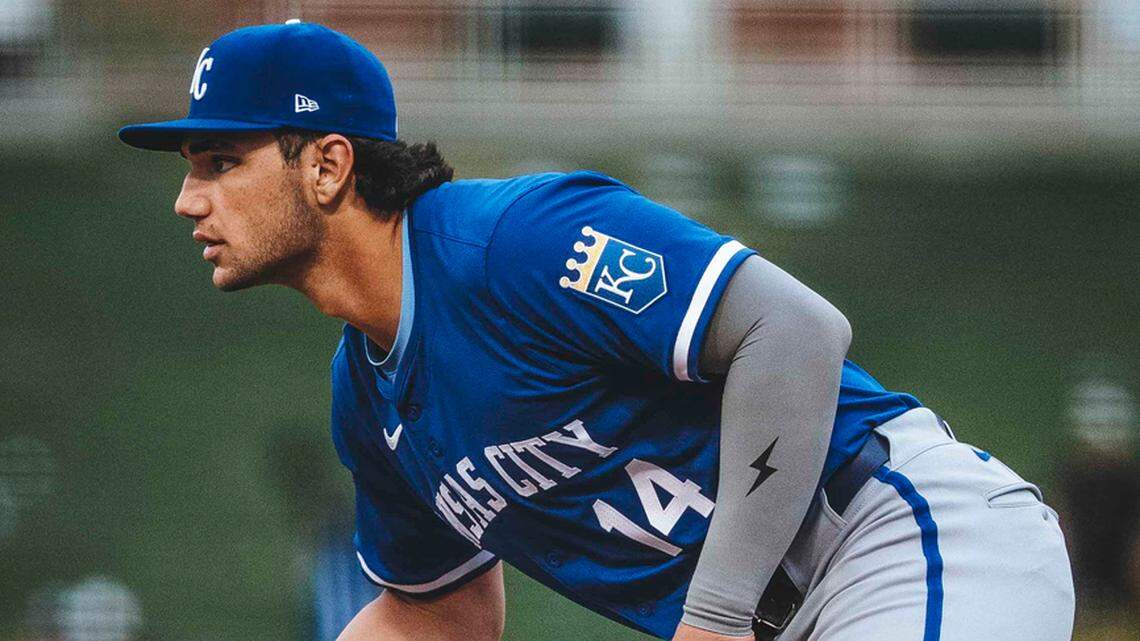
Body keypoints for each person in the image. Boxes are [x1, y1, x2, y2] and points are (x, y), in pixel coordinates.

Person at [118, 21, 1075, 641]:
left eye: (218, 160)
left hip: (893, 535)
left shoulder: (509, 240)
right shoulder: (366, 399)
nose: (187, 198)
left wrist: (711, 616)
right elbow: (437, 607)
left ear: (326, 165)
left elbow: (792, 331)